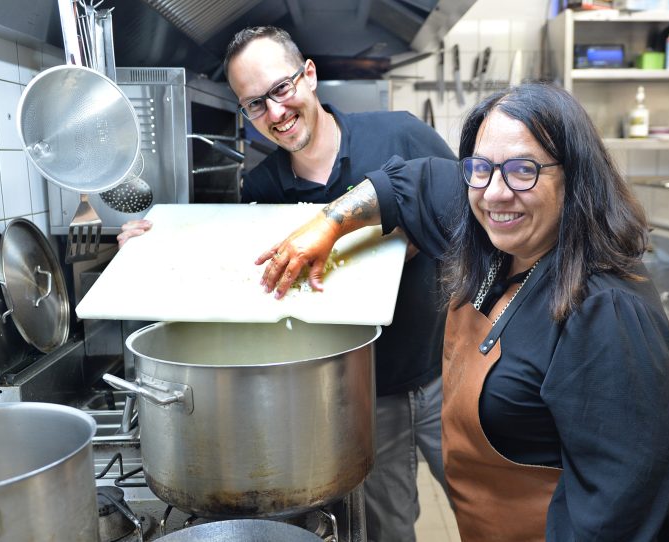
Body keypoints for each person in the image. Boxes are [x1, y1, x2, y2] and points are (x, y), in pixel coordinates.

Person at [256, 82, 669, 541]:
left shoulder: (607, 313)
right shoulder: (486, 229)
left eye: (523, 170)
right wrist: (327, 223)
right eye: (480, 169)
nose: (495, 193)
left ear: (574, 173)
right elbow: (405, 184)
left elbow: (617, 514)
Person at [118, 26, 456, 542]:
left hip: (446, 374)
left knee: (491, 509)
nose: (275, 113)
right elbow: (234, 277)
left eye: (281, 89)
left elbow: (467, 217)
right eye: (254, 105)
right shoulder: (263, 188)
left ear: (310, 75)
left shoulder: (400, 136)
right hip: (367, 399)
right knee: (390, 530)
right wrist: (148, 254)